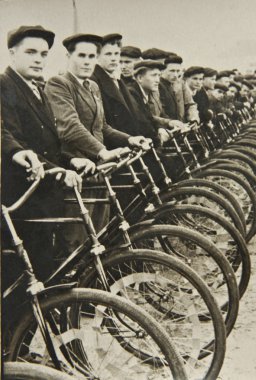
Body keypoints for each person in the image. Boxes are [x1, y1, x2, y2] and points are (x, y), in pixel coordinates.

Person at [1, 25, 85, 288]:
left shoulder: (37, 88)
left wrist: (71, 160)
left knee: (44, 270)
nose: (39, 59)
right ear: (12, 53)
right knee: (22, 279)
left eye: (43, 53)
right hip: (21, 195)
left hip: (43, 194)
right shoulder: (4, 85)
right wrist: (20, 153)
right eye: (30, 52)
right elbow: (9, 134)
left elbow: (50, 143)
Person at [45, 33, 149, 236]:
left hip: (99, 170)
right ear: (68, 57)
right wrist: (102, 151)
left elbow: (103, 126)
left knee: (100, 230)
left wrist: (129, 139)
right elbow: (69, 127)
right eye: (81, 55)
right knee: (79, 236)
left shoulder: (92, 86)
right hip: (77, 170)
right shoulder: (59, 84)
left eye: (92, 56)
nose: (87, 61)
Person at [91, 33, 140, 135]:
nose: (113, 58)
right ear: (97, 56)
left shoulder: (117, 79)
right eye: (108, 54)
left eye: (116, 54)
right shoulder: (93, 80)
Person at [159, 55, 183, 120]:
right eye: (172, 71)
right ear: (162, 70)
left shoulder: (171, 85)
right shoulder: (158, 86)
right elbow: (160, 112)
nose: (175, 75)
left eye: (178, 71)